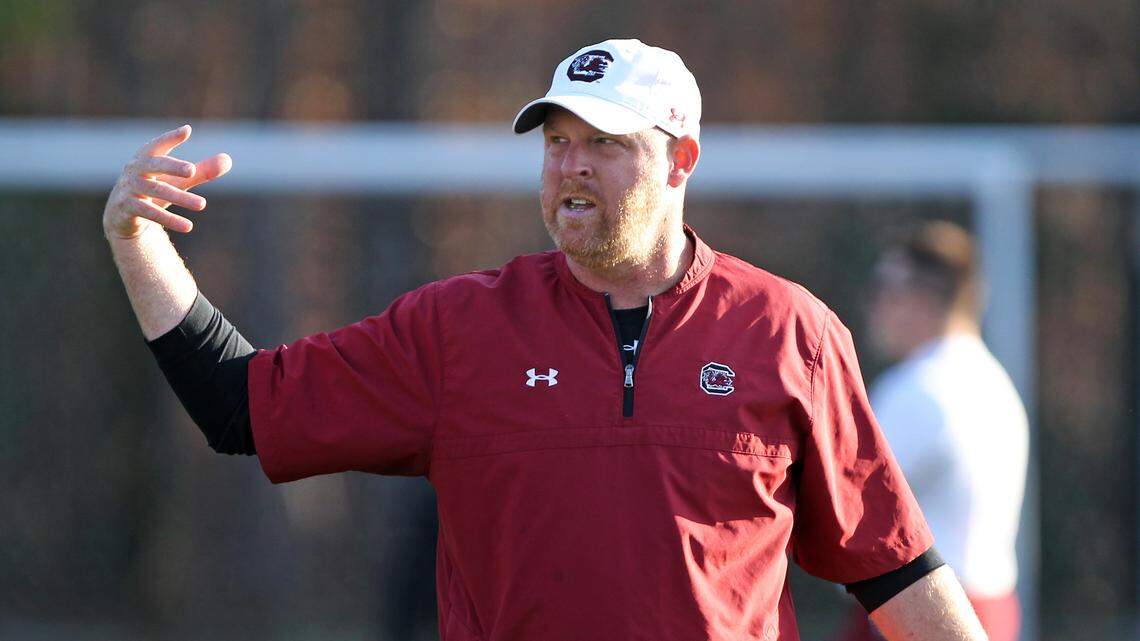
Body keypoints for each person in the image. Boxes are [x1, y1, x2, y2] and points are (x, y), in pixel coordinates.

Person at [104, 39, 989, 641]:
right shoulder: (457, 329)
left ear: (681, 160)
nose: (569, 165)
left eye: (602, 143)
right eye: (557, 142)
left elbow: (895, 569)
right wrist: (138, 247)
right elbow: (239, 405)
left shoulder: (789, 330)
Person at [837, 221, 1028, 641]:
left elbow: (842, 500)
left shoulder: (919, 389)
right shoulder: (995, 384)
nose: (875, 307)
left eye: (885, 290)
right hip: (986, 608)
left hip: (921, 610)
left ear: (920, 296)